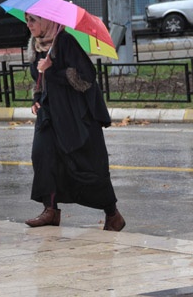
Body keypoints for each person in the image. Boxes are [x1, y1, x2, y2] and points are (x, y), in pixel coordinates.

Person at [24, 13, 125, 231]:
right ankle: (50, 210)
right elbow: (39, 79)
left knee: (85, 165)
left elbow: (86, 77)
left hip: (74, 116)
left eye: (33, 20)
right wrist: (36, 98)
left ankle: (112, 214)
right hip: (50, 114)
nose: (29, 25)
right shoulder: (35, 45)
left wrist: (53, 69)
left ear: (47, 21)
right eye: (26, 20)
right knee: (42, 156)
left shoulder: (66, 41)